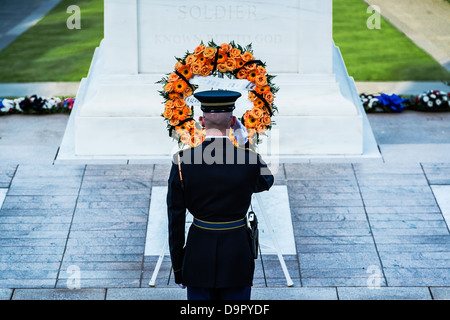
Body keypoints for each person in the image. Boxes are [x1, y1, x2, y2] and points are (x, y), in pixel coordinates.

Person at [167, 90, 274, 300]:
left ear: (201, 121)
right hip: (237, 254)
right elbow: (266, 180)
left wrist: (179, 268)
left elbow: (175, 221)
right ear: (234, 121)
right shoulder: (249, 160)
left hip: (198, 254)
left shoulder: (182, 162)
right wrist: (245, 143)